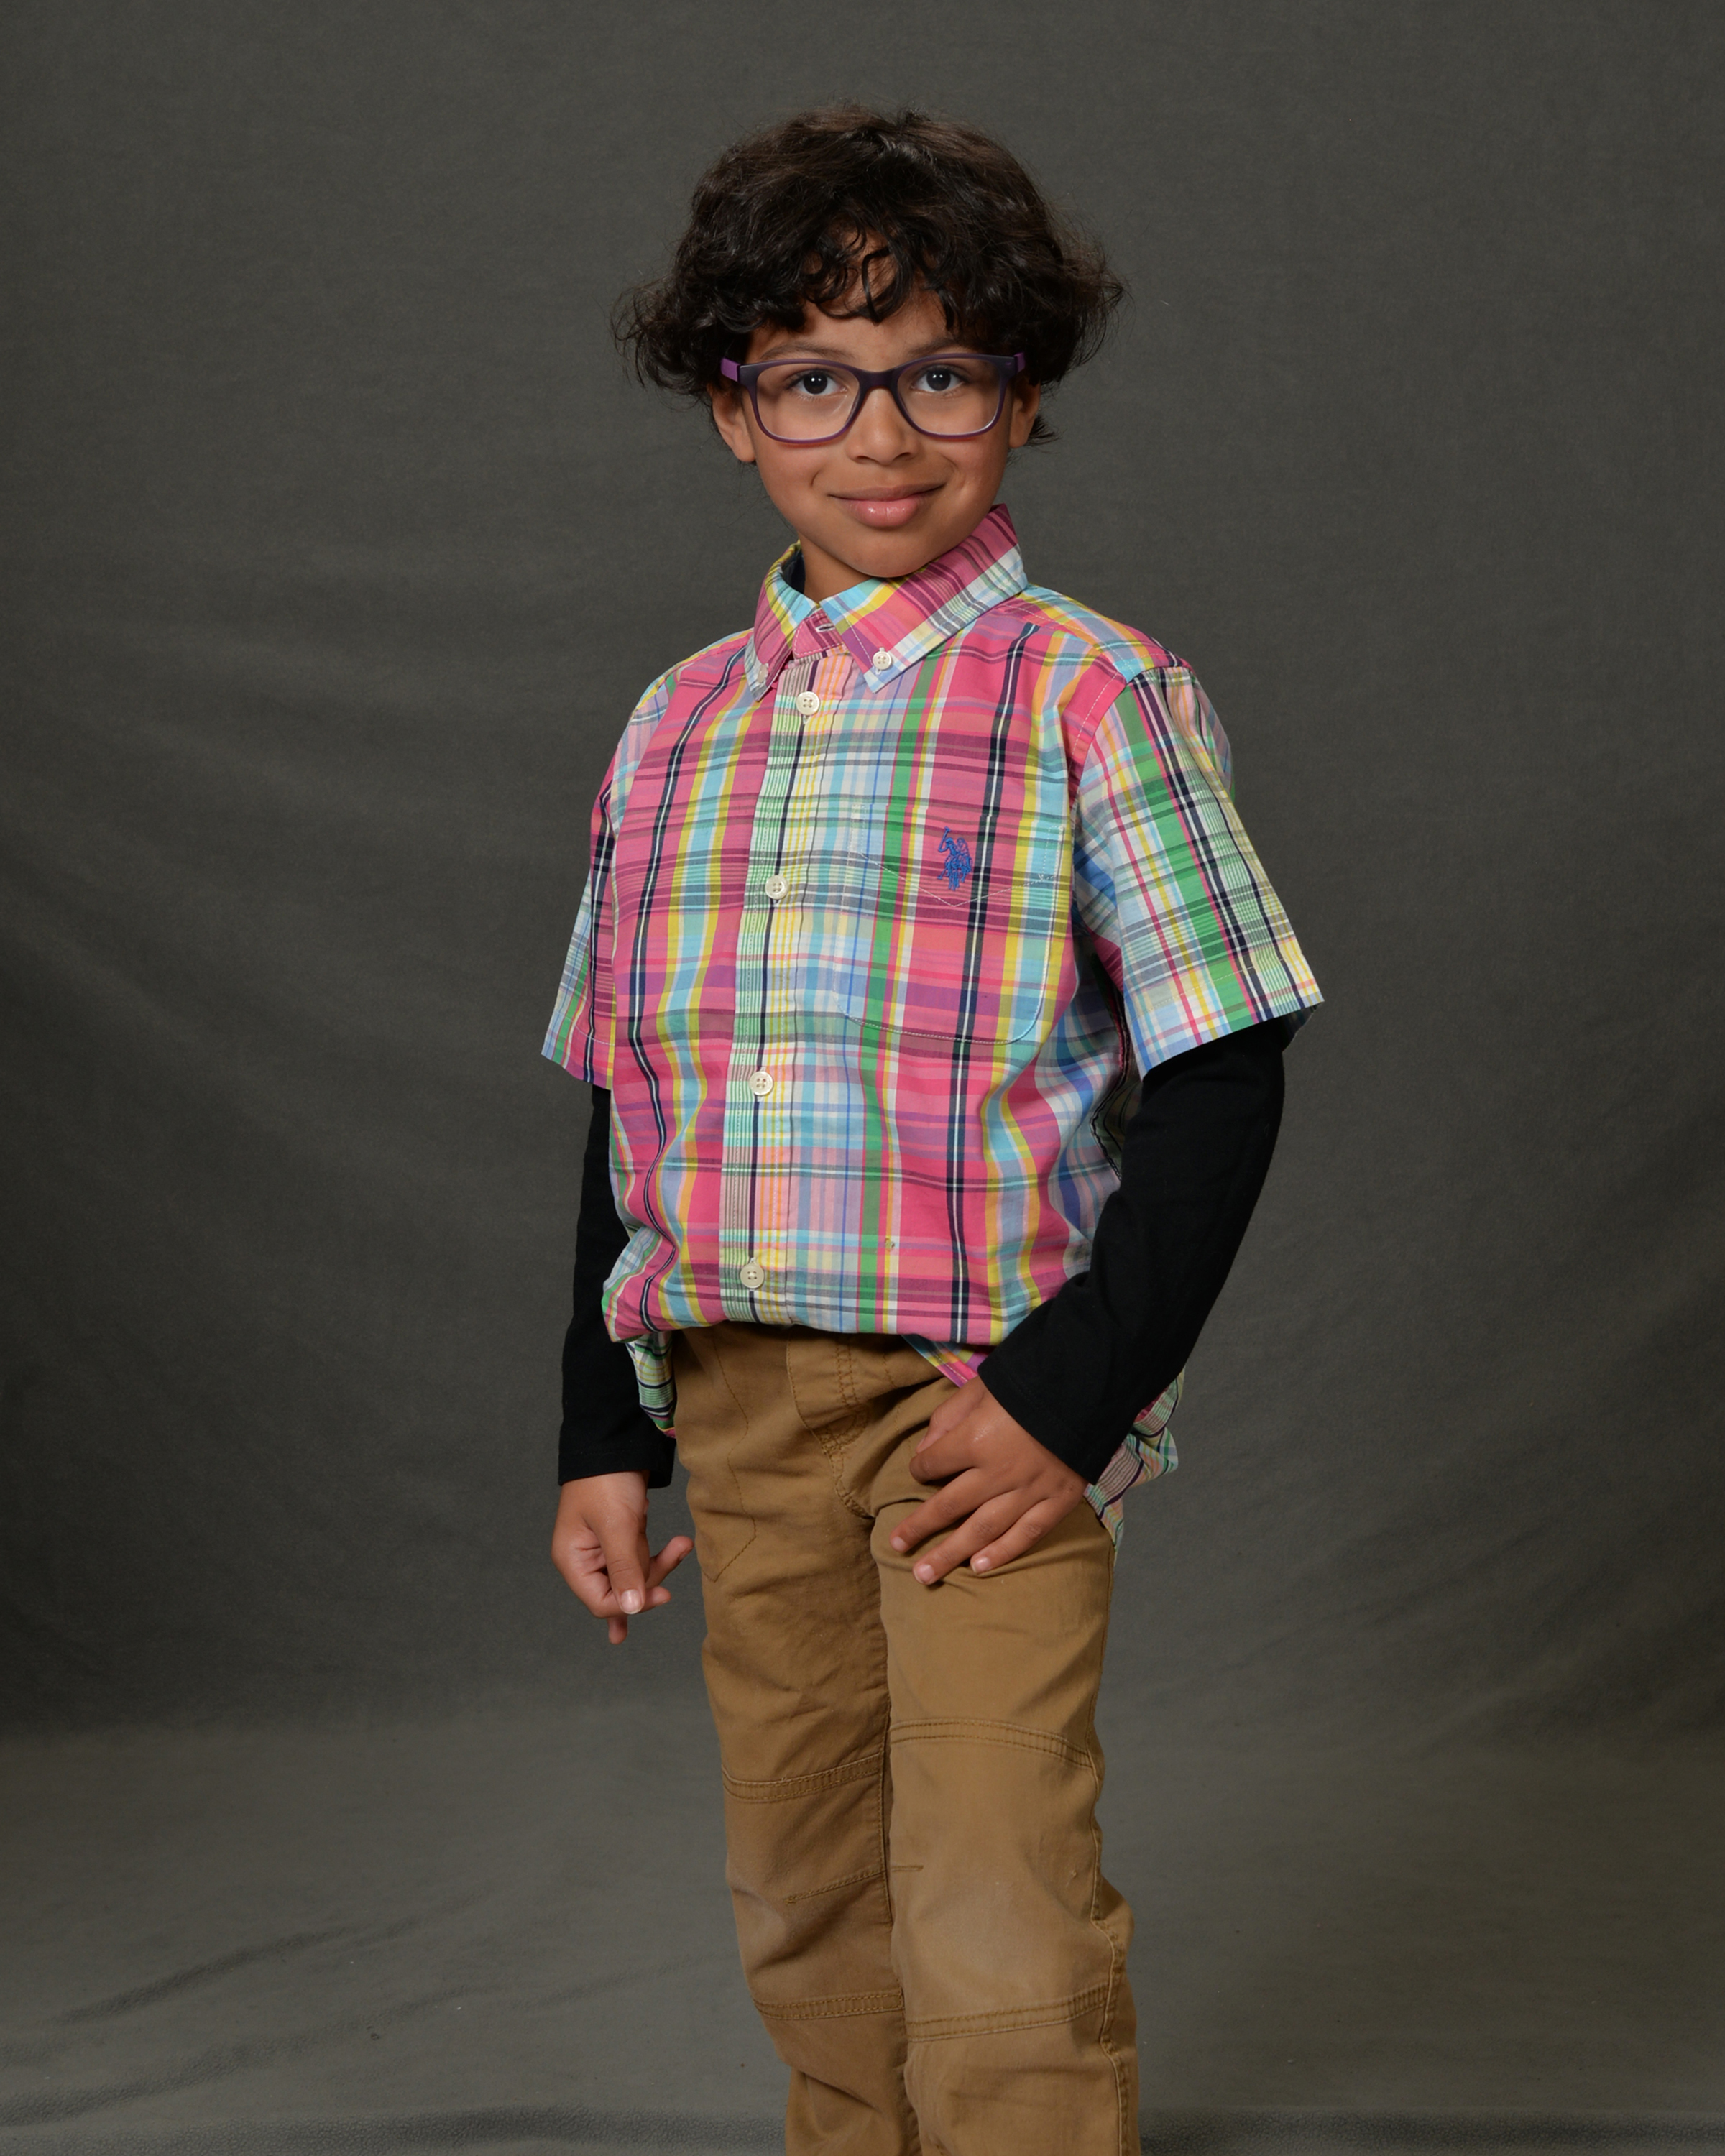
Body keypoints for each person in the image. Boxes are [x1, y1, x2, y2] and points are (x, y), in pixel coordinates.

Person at [544, 106, 1320, 2156]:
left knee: (993, 1892)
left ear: (1021, 395)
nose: (880, 437)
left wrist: (1074, 1395)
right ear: (736, 410)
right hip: (735, 1397)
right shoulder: (674, 723)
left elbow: (1225, 1072)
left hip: (987, 1413)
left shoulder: (1097, 696)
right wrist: (606, 1433)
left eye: (940, 375)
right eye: (815, 378)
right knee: (807, 1887)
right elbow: (626, 1101)